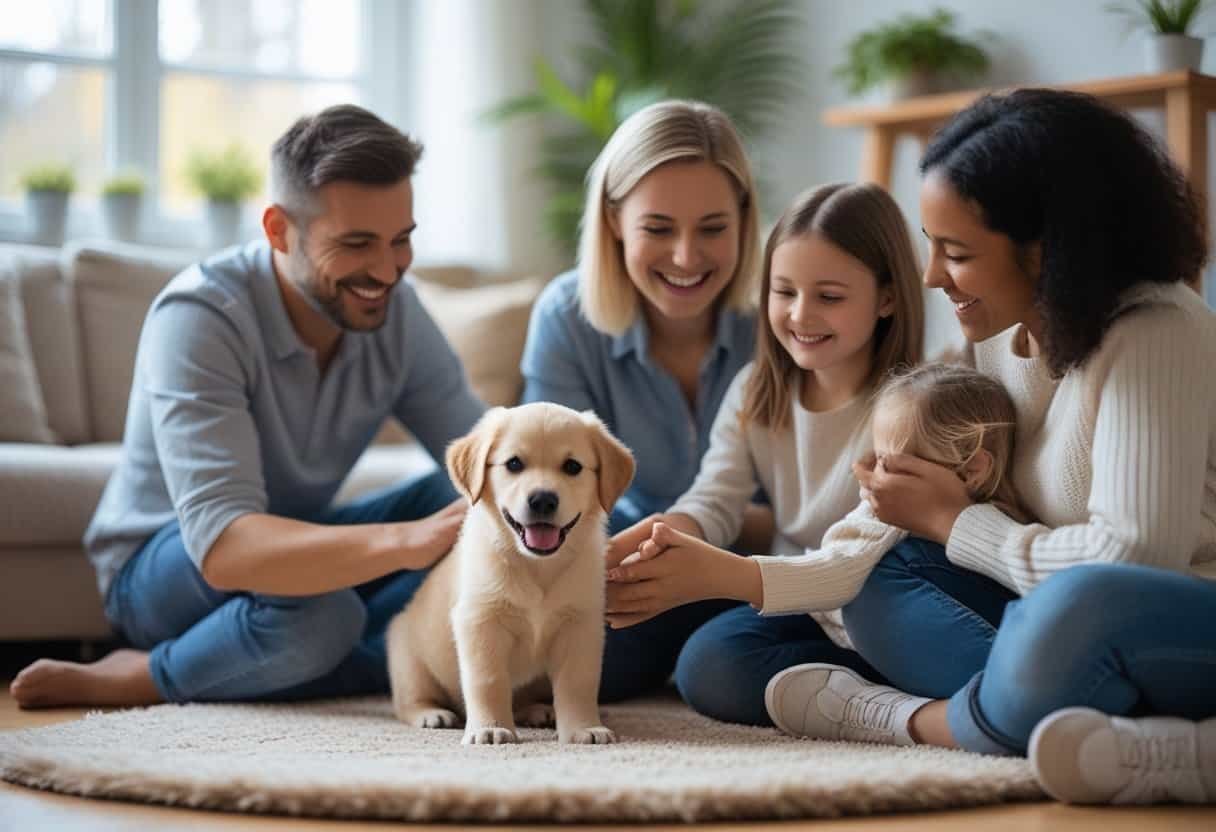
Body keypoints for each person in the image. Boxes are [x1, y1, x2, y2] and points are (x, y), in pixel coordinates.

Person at [761, 89, 1216, 806]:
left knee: (1068, 615)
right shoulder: (997, 330)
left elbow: (1132, 562)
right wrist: (772, 581)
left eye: (957, 252)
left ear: (1047, 250)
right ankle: (1146, 741)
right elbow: (900, 513)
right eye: (930, 243)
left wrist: (956, 524)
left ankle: (914, 720)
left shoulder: (1158, 332)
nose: (931, 276)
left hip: (1153, 613)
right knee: (867, 585)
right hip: (1045, 603)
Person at [9, 104, 486, 708]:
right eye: (357, 243)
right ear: (279, 231)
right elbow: (225, 549)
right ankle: (148, 675)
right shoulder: (201, 316)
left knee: (475, 497)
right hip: (168, 567)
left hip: (299, 548)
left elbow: (488, 451)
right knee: (327, 620)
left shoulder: (398, 312)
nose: (388, 270)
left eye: (402, 240)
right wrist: (403, 542)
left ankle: (355, 654)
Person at [605, 182, 924, 724]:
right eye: (784, 292)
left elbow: (856, 563)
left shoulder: (908, 407)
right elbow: (716, 498)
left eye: (829, 296)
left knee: (710, 667)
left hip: (863, 603)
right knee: (610, 644)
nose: (800, 315)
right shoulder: (756, 389)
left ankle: (877, 698)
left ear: (887, 298)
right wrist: (656, 542)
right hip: (781, 593)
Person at [519, 100, 767, 701]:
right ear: (612, 223)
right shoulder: (567, 316)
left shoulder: (784, 318)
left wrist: (694, 542)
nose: (686, 257)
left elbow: (812, 513)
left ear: (743, 221)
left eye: (713, 228)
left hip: (746, 574)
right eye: (658, 229)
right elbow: (550, 499)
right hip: (607, 567)